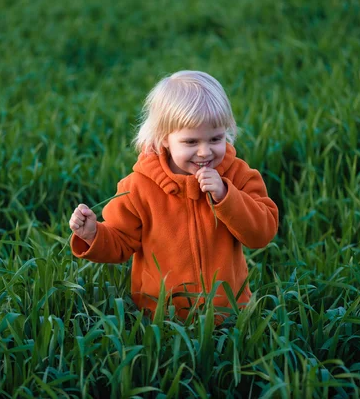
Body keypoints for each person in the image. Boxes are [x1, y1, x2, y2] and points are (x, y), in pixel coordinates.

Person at [68, 70, 279, 322]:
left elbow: (262, 234)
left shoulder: (239, 176)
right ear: (164, 139)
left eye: (216, 138)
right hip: (159, 317)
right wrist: (92, 234)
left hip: (230, 313)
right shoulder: (138, 187)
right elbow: (121, 243)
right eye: (190, 142)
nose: (204, 152)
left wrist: (225, 196)